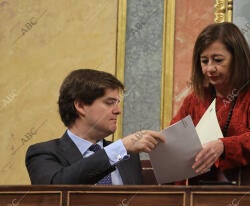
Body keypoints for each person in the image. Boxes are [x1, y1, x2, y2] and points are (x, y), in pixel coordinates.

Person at [170, 22, 250, 184]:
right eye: (204, 61)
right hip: (200, 196)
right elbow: (174, 140)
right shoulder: (194, 99)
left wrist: (223, 147)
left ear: (237, 59)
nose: (210, 68)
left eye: (217, 60)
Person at [25, 69, 165, 185]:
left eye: (117, 103)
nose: (118, 110)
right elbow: (54, 189)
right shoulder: (43, 153)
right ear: (80, 106)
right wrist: (120, 148)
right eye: (110, 103)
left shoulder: (128, 157)